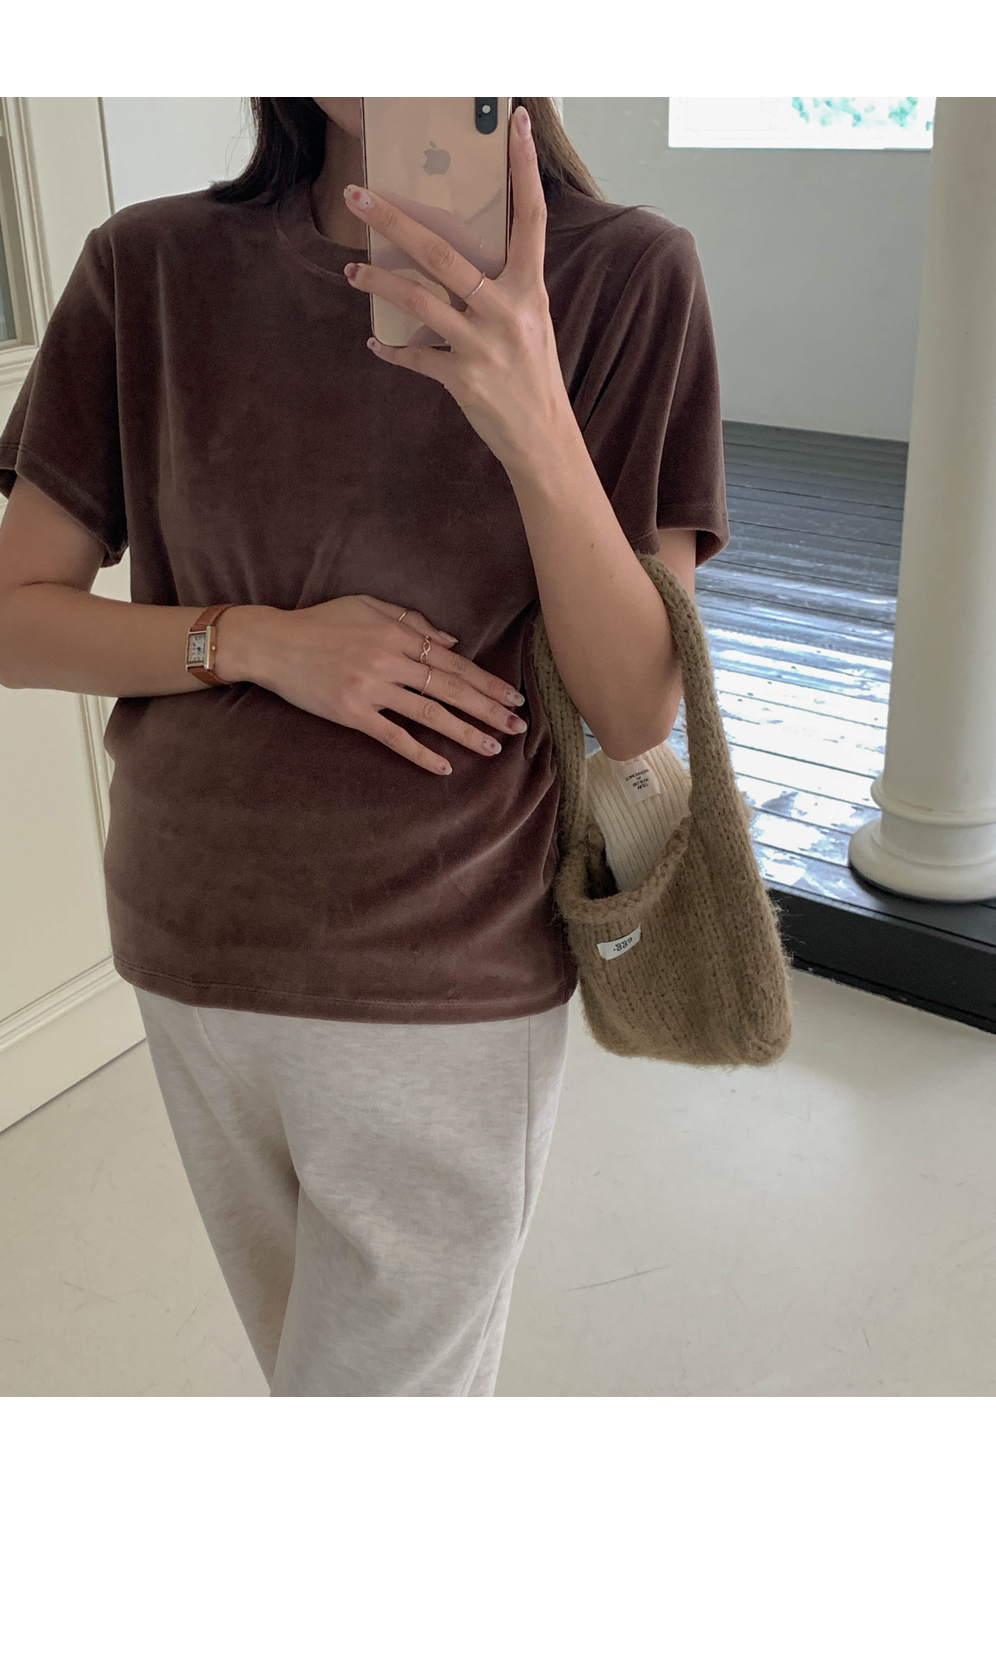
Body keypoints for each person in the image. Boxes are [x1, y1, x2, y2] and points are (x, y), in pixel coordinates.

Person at [0, 97, 730, 1396]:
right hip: (188, 941)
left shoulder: (628, 273)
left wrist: (530, 408)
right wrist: (255, 641)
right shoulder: (147, 265)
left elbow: (633, 710)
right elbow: (16, 618)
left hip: (441, 965)